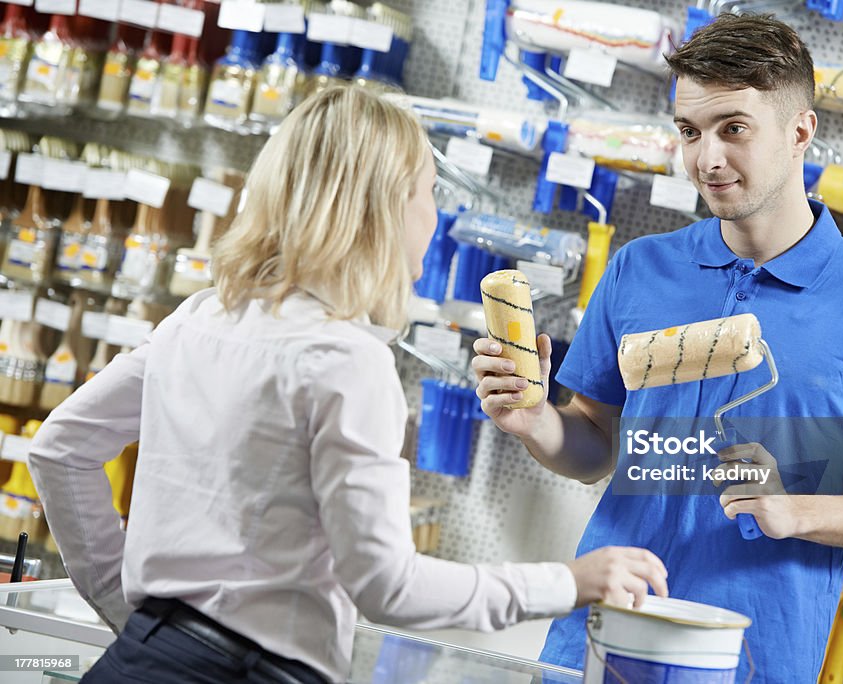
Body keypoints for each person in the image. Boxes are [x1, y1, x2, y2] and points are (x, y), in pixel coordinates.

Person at [27, 86, 669, 684]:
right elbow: (387, 586)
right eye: (428, 190)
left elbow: (58, 449)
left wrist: (133, 613)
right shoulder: (346, 361)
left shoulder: (201, 317)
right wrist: (571, 581)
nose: (436, 216)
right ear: (381, 207)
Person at [472, 15, 843, 682]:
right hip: (605, 630)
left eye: (734, 128)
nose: (708, 158)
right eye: (690, 132)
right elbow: (592, 447)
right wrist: (534, 421)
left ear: (800, 133)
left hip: (749, 656)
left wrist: (794, 510)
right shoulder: (640, 270)